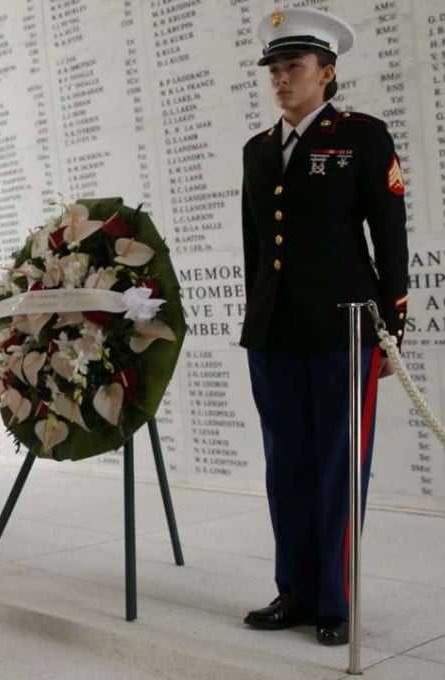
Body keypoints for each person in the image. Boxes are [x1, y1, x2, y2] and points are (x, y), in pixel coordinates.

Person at [239, 8, 408, 646]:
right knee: (286, 465)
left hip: (345, 329)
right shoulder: (257, 151)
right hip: (275, 333)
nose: (281, 79)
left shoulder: (361, 136)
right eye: (275, 69)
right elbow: (257, 247)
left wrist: (392, 328)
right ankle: (296, 591)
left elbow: (390, 238)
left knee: (339, 466)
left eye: (295, 67)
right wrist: (255, 319)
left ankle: (336, 600)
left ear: (327, 72)